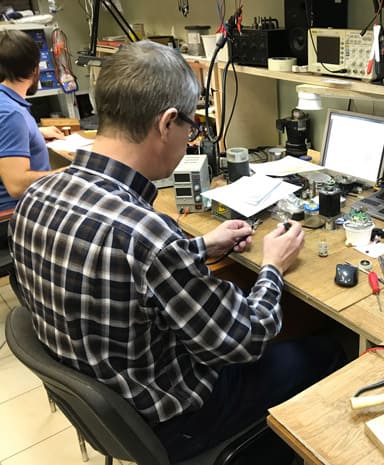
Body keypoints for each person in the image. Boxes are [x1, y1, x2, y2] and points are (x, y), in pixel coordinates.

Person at [10, 40, 345, 463]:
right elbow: (244, 339)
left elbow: (120, 270)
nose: (190, 139)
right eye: (192, 127)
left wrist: (199, 246)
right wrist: (272, 267)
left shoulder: (38, 194)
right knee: (330, 348)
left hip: (115, 411)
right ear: (167, 123)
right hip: (177, 420)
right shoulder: (147, 235)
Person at [0, 29, 65, 213]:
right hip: (16, 214)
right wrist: (71, 173)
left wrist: (35, 132)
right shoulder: (12, 115)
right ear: (35, 69)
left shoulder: (6, 103)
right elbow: (16, 185)